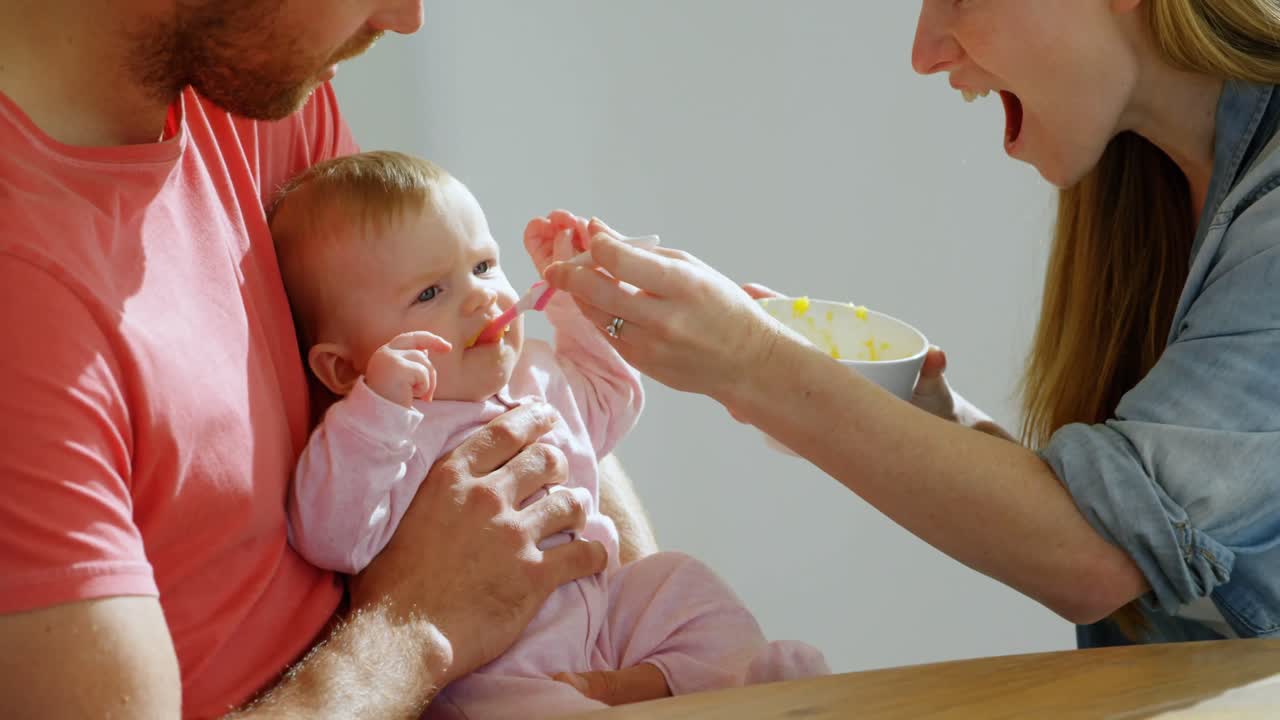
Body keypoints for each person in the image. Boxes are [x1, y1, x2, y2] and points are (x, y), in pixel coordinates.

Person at [546, 0, 1280, 646]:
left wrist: (751, 363)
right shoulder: (1149, 188)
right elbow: (1132, 521)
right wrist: (935, 424)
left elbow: (1103, 556)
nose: (925, 52)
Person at [0, 2, 660, 717]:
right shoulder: (25, 300)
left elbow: (485, 391)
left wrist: (640, 652)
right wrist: (419, 629)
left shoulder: (254, 89)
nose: (406, 17)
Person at [269, 151, 829, 718]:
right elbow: (330, 536)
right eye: (430, 294)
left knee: (679, 583)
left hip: (602, 608)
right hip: (490, 664)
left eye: (484, 266)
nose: (483, 296)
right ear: (342, 370)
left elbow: (612, 402)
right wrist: (378, 408)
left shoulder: (534, 372)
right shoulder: (382, 430)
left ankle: (747, 682)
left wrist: (576, 306)